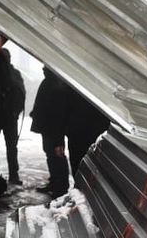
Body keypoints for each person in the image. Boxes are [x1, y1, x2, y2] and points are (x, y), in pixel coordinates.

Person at [30, 67, 111, 195]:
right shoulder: (68, 84)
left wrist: (58, 140)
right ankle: (78, 192)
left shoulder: (62, 85)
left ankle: (72, 190)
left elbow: (59, 112)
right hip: (82, 132)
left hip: (78, 132)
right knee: (80, 164)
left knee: (77, 163)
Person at [0, 48, 26, 187]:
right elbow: (21, 94)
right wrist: (15, 112)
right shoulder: (14, 74)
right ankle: (13, 175)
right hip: (9, 118)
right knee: (11, 147)